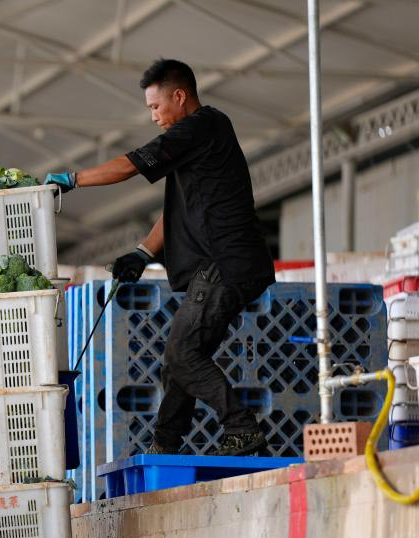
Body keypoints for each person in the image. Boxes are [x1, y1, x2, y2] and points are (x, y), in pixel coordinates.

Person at [45, 58, 275, 457]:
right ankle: (165, 445)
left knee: (183, 354)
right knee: (178, 360)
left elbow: (129, 165)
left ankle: (241, 428)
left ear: (179, 96)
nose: (153, 116)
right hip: (226, 265)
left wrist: (73, 179)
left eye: (156, 106)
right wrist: (142, 253)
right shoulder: (200, 144)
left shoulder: (201, 126)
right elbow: (177, 212)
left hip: (224, 263)